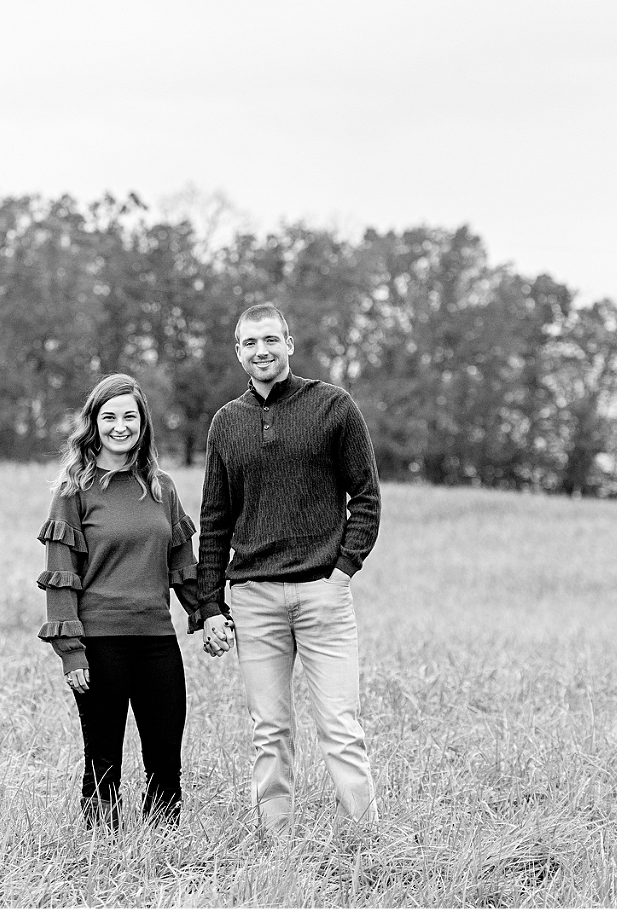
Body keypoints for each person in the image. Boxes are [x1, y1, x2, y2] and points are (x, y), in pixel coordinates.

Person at [197, 303, 381, 837]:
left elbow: (366, 497)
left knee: (340, 728)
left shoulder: (332, 407)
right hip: (254, 598)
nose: (262, 351)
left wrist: (343, 571)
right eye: (250, 343)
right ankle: (277, 845)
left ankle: (369, 843)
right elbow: (214, 520)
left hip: (323, 593)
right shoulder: (226, 424)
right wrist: (210, 605)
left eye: (271, 340)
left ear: (290, 343)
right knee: (270, 730)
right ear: (238, 353)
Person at [36, 372, 205, 829]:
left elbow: (182, 568)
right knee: (103, 761)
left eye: (129, 416)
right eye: (109, 416)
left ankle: (162, 848)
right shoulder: (74, 491)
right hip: (100, 644)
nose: (119, 426)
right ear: (93, 423)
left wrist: (208, 614)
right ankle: (102, 852)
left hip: (156, 641)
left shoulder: (162, 488)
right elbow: (61, 577)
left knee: (166, 759)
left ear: (143, 422)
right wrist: (71, 653)